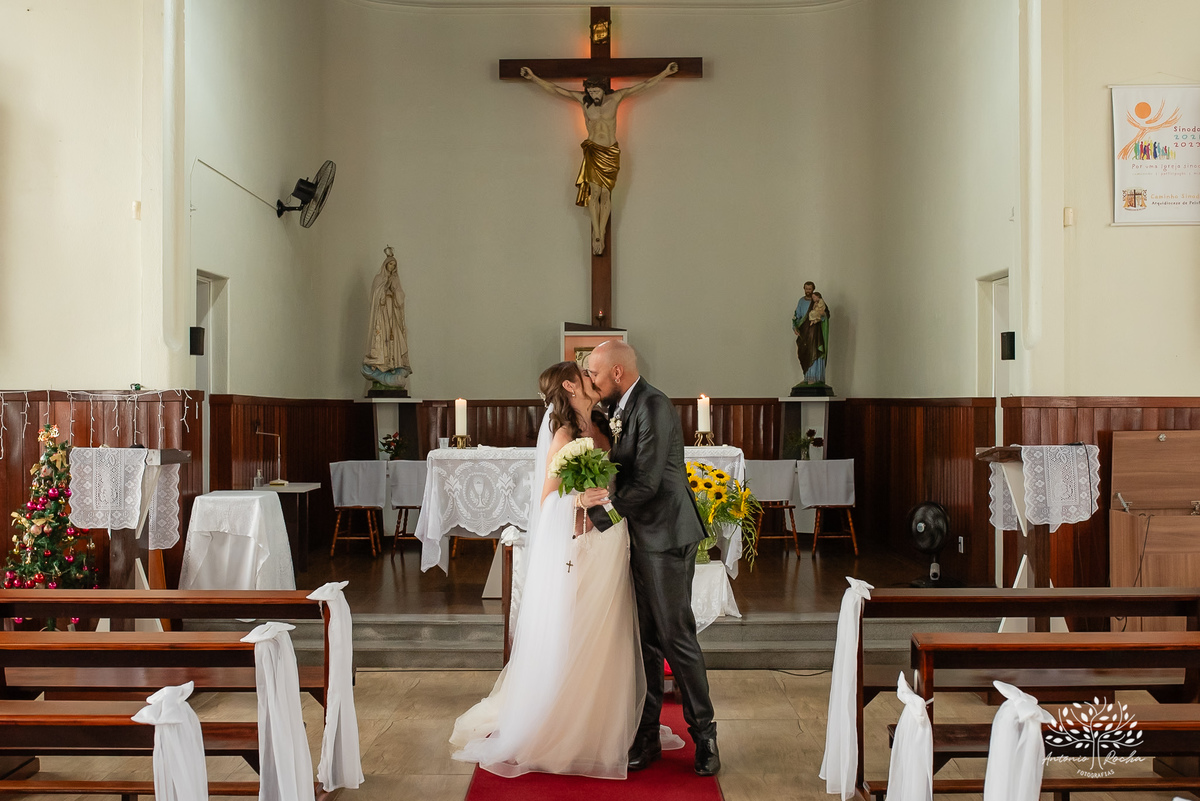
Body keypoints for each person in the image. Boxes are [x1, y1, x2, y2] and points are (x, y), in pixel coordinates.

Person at [450, 361, 682, 779]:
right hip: (583, 543)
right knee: (580, 627)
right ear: (573, 385)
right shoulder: (563, 435)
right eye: (587, 375)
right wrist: (575, 502)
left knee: (612, 627)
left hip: (614, 538)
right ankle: (573, 725)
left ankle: (614, 724)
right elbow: (546, 502)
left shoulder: (604, 424)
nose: (594, 382)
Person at [581, 340, 721, 776]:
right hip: (641, 536)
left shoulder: (654, 405)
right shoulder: (621, 406)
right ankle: (648, 735)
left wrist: (598, 517)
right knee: (644, 641)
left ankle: (706, 737)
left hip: (665, 536)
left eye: (597, 375)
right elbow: (623, 471)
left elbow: (647, 483)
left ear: (618, 373)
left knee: (676, 637)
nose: (593, 382)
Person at [520, 63, 680, 255]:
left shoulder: (616, 98)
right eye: (590, 91)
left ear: (604, 89)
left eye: (596, 91)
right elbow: (555, 89)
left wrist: (665, 73)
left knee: (606, 194)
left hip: (611, 151)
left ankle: (602, 231)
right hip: (594, 149)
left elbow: (644, 85)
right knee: (594, 193)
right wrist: (533, 78)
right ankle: (597, 232)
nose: (593, 94)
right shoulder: (583, 100)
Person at [794, 281, 830, 385]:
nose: (808, 291)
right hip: (805, 332)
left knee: (816, 352)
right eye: (806, 289)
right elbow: (797, 315)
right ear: (804, 289)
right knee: (804, 352)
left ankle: (816, 378)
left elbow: (826, 314)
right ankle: (807, 376)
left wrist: (822, 315)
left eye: (810, 289)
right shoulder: (801, 301)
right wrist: (795, 327)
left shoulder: (818, 301)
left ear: (813, 289)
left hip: (816, 332)